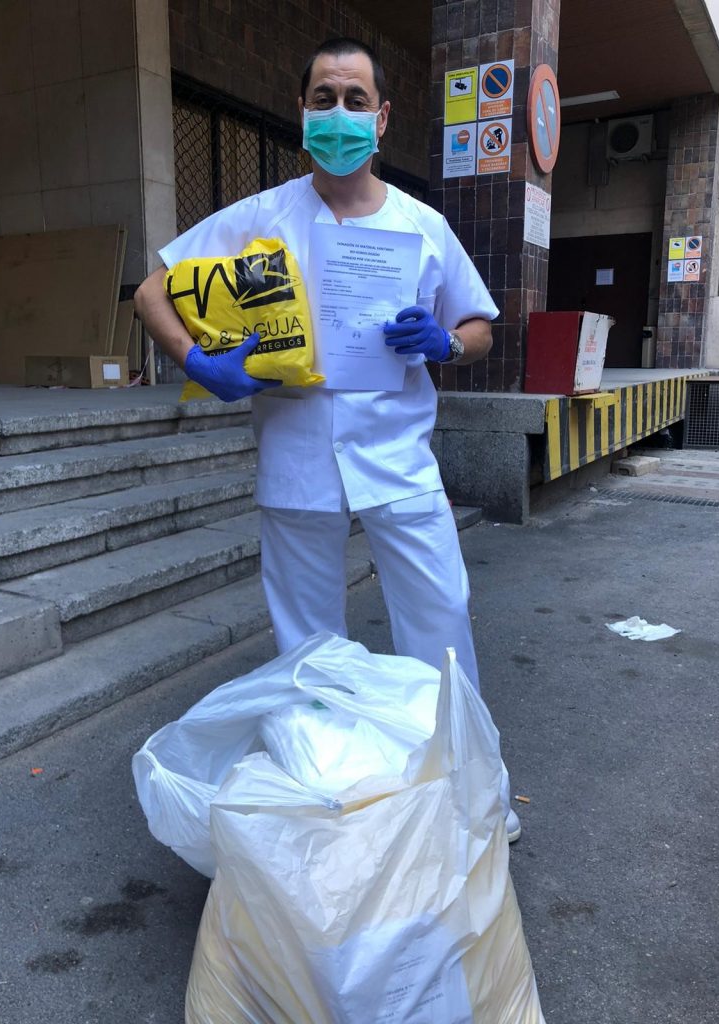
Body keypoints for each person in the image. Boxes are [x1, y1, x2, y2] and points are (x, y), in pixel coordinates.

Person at [134, 37, 521, 842]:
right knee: (308, 645)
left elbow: (480, 323)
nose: (338, 114)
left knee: (441, 619)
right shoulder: (260, 218)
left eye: (354, 100)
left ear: (382, 118)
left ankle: (467, 792)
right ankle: (330, 792)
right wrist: (196, 362)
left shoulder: (422, 226)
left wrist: (448, 343)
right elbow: (150, 291)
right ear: (302, 112)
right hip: (298, 459)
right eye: (323, 99)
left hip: (399, 459)